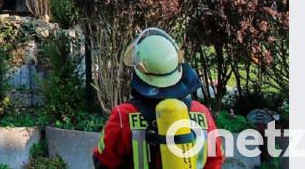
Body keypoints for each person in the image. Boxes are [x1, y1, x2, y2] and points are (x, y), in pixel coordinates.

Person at [93, 28, 224, 169]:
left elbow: (103, 161)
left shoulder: (123, 115)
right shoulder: (201, 113)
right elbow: (216, 159)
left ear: (139, 70)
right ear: (178, 66)